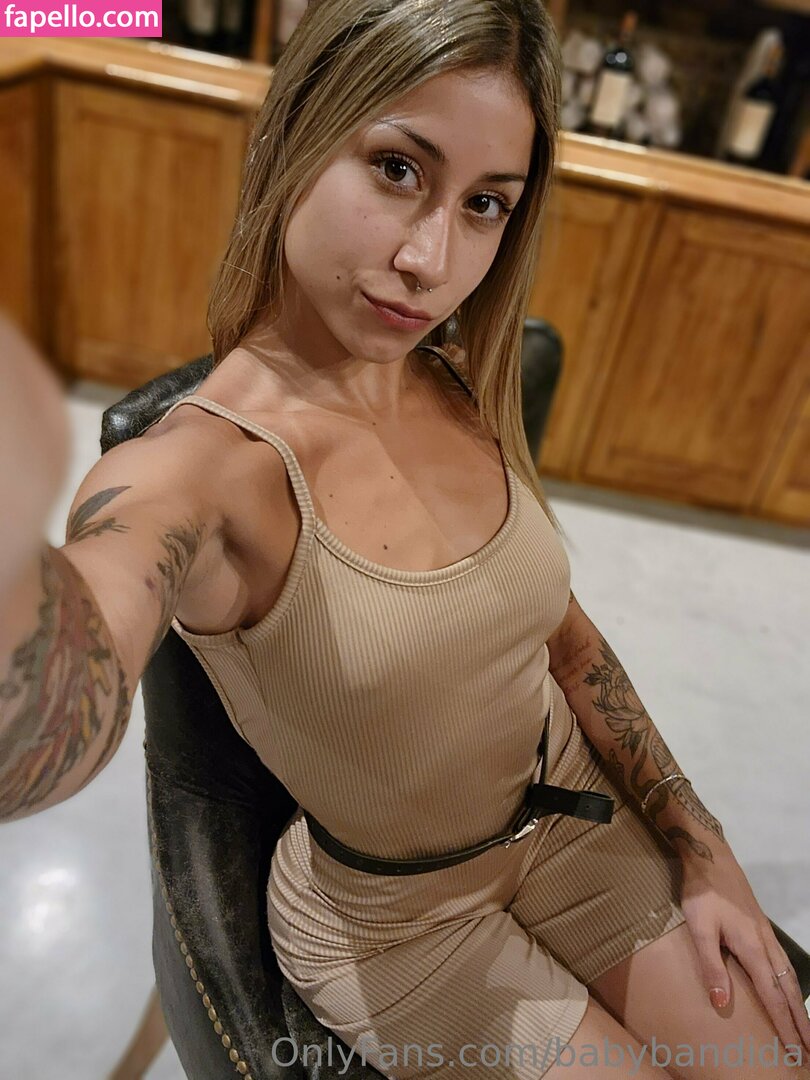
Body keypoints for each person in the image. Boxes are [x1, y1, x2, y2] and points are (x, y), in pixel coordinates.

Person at [1, 1, 808, 1077]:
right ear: (293, 134)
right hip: (402, 929)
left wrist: (705, 853)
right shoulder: (197, 474)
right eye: (395, 169)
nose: (432, 261)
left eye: (484, 204)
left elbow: (568, 647)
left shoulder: (454, 375)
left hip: (572, 826)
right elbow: (51, 708)